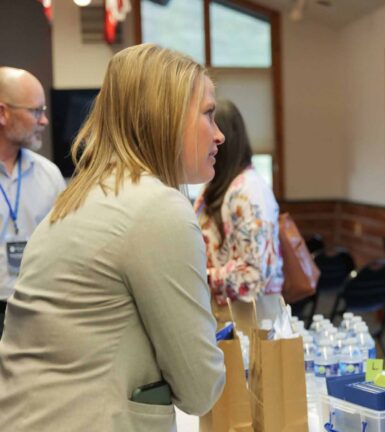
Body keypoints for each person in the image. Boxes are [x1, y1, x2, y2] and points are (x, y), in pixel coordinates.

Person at [0, 44, 226, 431]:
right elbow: (200, 387)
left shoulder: (81, 196)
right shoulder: (157, 209)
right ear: (165, 117)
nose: (219, 135)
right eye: (208, 113)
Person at [194, 99, 284, 326]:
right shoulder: (216, 184)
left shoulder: (248, 191)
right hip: (222, 314)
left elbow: (255, 273)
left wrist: (201, 277)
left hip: (248, 318)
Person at [0, 67, 65, 338]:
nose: (44, 120)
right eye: (36, 111)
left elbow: (64, 249)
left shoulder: (49, 175)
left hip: (35, 311)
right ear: (3, 113)